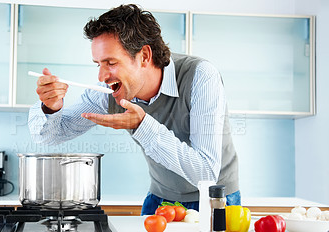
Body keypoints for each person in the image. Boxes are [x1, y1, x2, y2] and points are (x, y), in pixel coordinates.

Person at [28, 4, 240, 215]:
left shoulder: (200, 76)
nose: (101, 77)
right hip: (161, 198)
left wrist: (142, 125)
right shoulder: (109, 91)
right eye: (98, 64)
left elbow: (206, 173)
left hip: (215, 200)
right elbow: (49, 136)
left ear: (145, 56)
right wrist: (50, 108)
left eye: (110, 63)